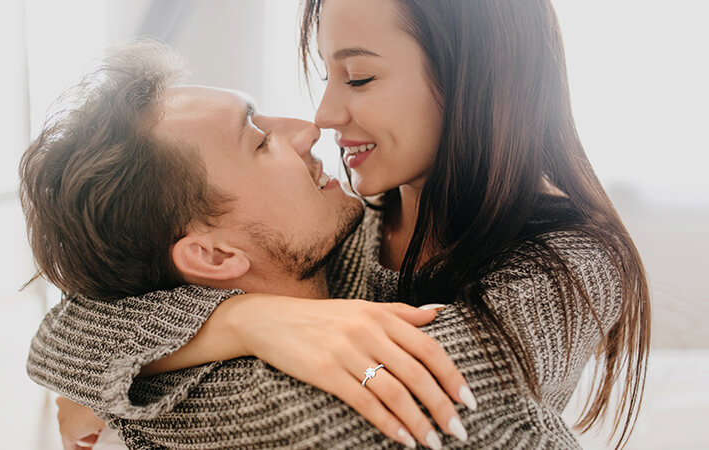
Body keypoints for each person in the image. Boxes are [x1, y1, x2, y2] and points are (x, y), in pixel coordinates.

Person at [32, 0, 651, 447]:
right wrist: (245, 320)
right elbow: (64, 332)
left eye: (359, 76)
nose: (321, 117)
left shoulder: (568, 259)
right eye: (329, 74)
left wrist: (126, 406)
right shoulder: (336, 235)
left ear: (475, 77)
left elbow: (396, 416)